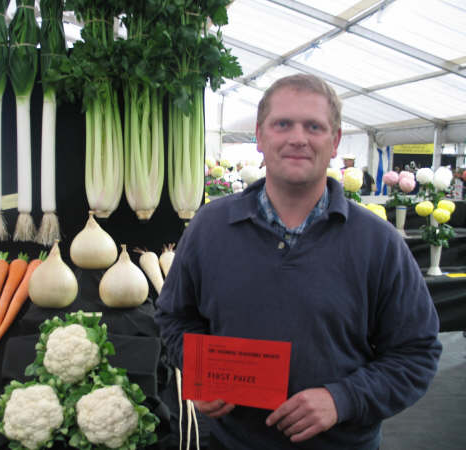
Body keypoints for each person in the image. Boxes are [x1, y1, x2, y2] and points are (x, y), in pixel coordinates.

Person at [155, 74, 441, 450]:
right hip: (232, 442)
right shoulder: (209, 228)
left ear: (335, 141)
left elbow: (416, 352)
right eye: (283, 124)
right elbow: (175, 318)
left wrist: (344, 399)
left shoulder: (378, 242)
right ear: (260, 136)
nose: (298, 138)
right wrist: (200, 370)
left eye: (314, 126)